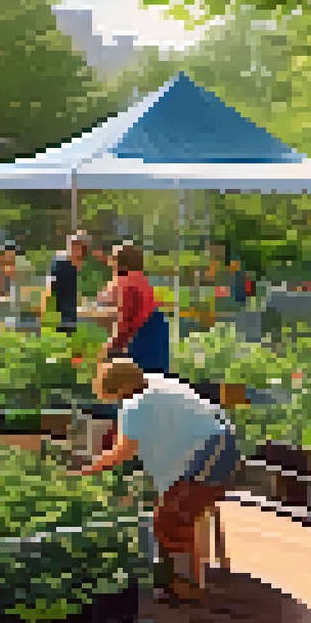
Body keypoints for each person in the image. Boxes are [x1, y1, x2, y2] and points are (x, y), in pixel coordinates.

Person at [73, 358, 241, 603]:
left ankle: (187, 589)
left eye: (111, 396)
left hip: (211, 454)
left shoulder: (136, 405)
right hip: (219, 447)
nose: (114, 402)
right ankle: (180, 584)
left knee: (171, 521)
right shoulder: (157, 381)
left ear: (120, 389)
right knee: (173, 517)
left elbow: (123, 452)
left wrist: (88, 469)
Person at [98, 243, 166, 374]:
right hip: (155, 331)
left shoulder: (126, 282)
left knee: (136, 380)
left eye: (113, 259)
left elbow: (126, 319)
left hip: (143, 335)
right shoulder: (140, 278)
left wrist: (112, 346)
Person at [49, 233, 93, 333]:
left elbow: (87, 290)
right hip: (63, 305)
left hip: (81, 305)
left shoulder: (87, 266)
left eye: (79, 247)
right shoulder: (61, 262)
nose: (75, 250)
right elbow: (53, 285)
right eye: (73, 246)